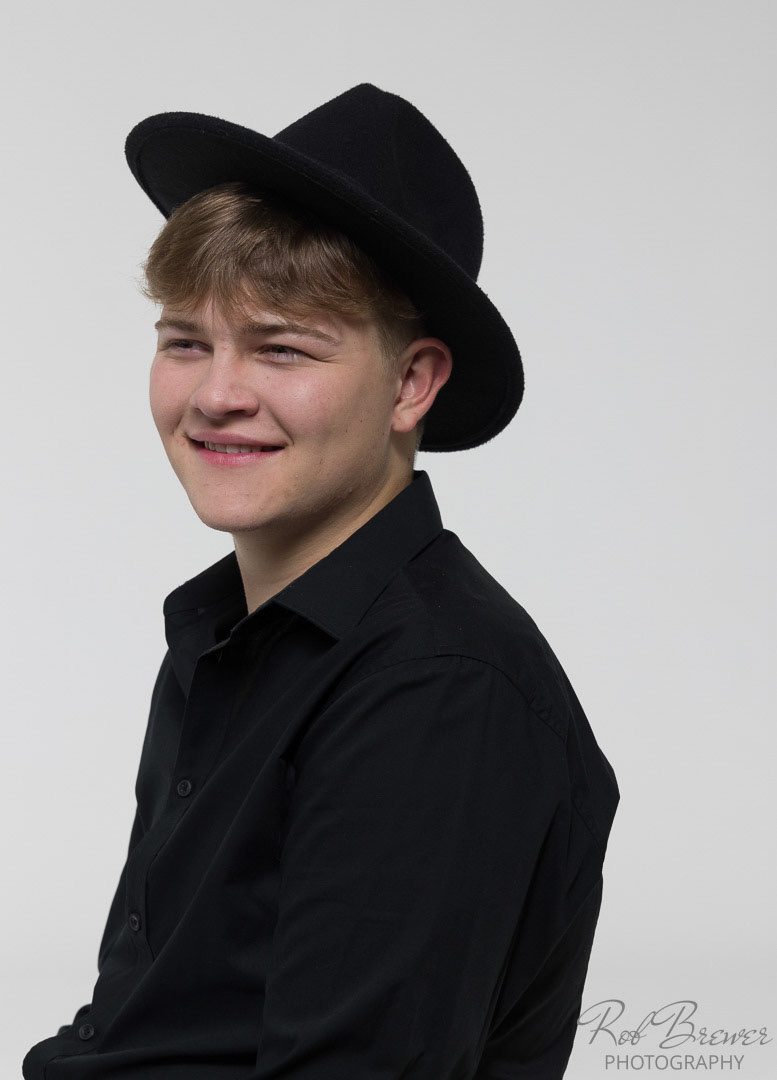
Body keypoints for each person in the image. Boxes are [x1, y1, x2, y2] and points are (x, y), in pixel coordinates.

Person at [23, 83, 619, 1079]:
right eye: (186, 341)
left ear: (411, 383)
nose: (216, 394)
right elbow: (151, 1024)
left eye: (282, 348)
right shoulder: (225, 634)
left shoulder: (437, 689)